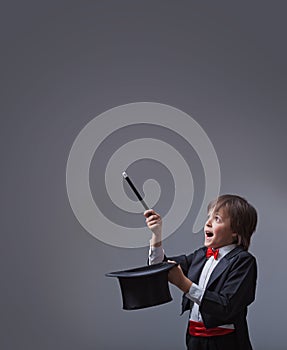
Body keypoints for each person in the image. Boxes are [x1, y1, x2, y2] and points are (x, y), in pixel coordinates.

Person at [144, 194, 258, 350]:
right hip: (194, 340)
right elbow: (159, 269)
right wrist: (156, 235)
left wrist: (183, 284)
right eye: (209, 217)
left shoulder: (243, 262)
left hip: (226, 343)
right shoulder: (201, 255)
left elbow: (226, 307)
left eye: (217, 219)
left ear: (235, 231)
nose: (208, 223)